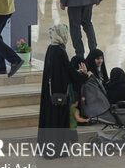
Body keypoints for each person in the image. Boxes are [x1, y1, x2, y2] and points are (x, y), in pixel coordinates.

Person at [37, 24, 91, 159]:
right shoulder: (60, 51)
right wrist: (83, 74)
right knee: (58, 121)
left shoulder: (51, 48)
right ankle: (57, 150)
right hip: (59, 95)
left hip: (50, 94)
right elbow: (69, 73)